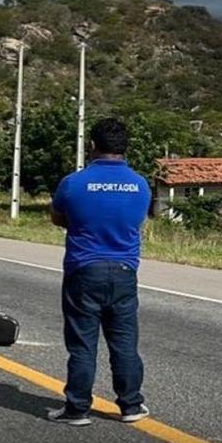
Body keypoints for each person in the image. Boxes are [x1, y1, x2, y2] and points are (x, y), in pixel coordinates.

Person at [48, 118, 152, 426]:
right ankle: (131, 405)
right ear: (125, 147)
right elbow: (136, 221)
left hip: (84, 270)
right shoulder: (140, 184)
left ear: (92, 145)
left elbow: (58, 217)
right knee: (124, 344)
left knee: (82, 344)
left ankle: (78, 409)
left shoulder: (73, 183)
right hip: (124, 271)